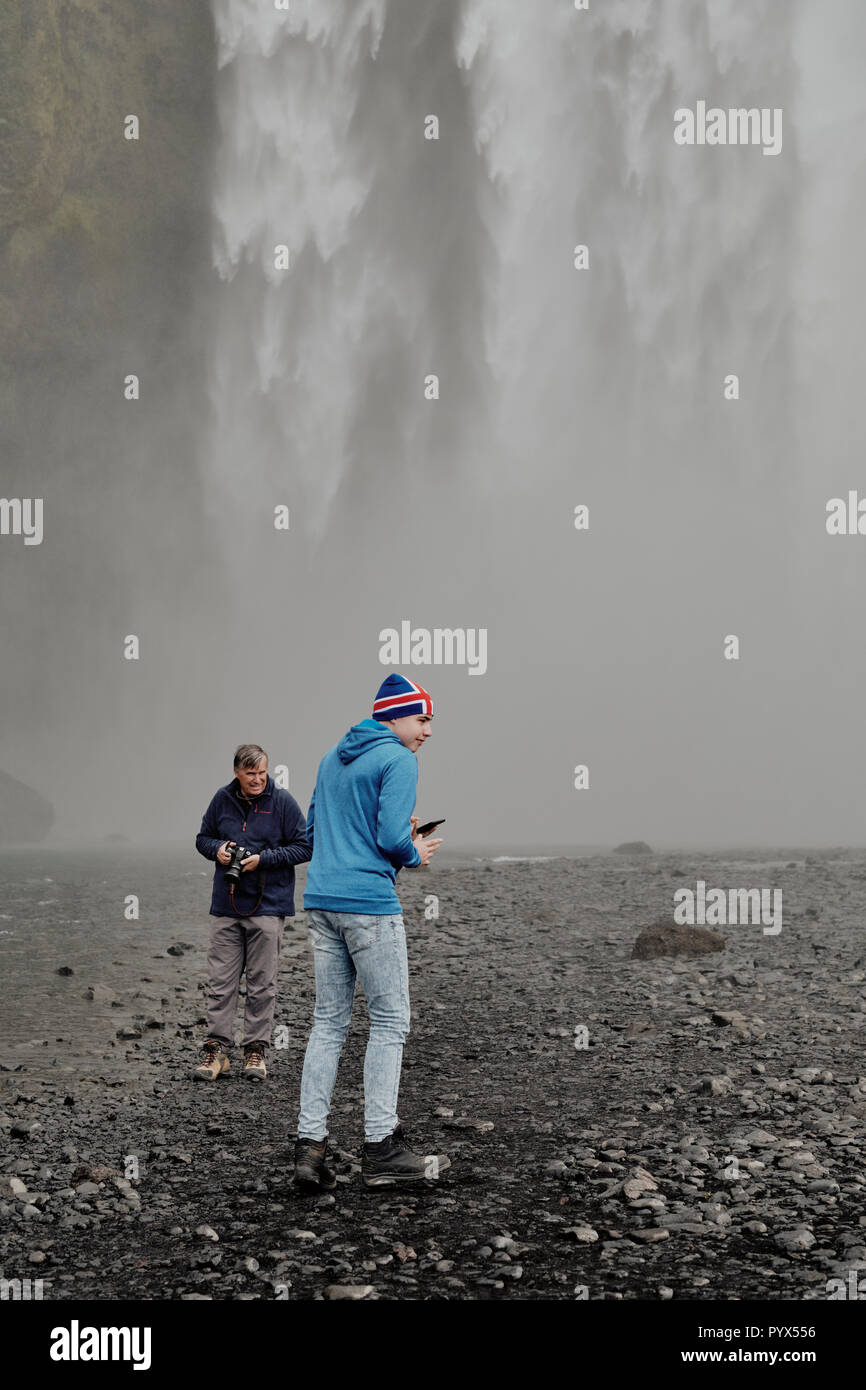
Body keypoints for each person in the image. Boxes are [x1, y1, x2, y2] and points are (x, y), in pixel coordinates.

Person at [293, 673, 450, 1191]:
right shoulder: (400, 759)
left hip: (321, 901)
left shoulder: (330, 756)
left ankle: (310, 1151)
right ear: (396, 715)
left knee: (329, 1024)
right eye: (422, 718)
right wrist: (414, 850)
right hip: (368, 906)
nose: (427, 730)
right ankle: (381, 1148)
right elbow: (386, 837)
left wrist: (390, 833)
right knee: (389, 1022)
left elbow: (313, 834)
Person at [193, 744, 311, 1082]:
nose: (258, 779)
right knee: (220, 983)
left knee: (262, 984)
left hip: (268, 905)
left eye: (262, 772)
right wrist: (219, 850)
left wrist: (264, 859)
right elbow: (202, 838)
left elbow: (305, 846)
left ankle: (255, 1052)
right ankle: (216, 1052)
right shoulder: (221, 799)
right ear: (237, 773)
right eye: (250, 774)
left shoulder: (283, 801)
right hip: (226, 906)